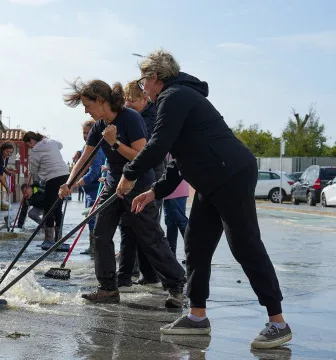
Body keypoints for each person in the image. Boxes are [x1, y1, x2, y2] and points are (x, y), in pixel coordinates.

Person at [120, 49, 290, 348]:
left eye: (143, 79)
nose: (142, 86)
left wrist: (130, 173)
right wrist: (154, 191)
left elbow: (158, 146)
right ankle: (197, 317)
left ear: (155, 77)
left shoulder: (175, 97)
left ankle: (278, 323)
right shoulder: (175, 97)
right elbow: (178, 158)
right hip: (211, 179)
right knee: (196, 245)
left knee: (245, 245)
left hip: (230, 174)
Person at [60, 78, 185, 306]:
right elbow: (85, 159)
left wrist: (114, 143)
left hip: (138, 182)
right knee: (101, 233)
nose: (86, 111)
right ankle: (108, 288)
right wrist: (69, 182)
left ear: (101, 101)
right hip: (113, 183)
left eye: (88, 105)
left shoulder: (131, 118)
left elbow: (141, 156)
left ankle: (176, 285)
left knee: (149, 236)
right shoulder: (98, 126)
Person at [123, 79, 166, 285]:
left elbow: (146, 149)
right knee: (131, 225)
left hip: (152, 173)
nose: (128, 106)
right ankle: (135, 271)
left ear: (144, 98)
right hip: (135, 172)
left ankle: (156, 274)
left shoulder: (153, 115)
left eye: (132, 102)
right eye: (126, 103)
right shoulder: (134, 115)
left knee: (148, 226)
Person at [23, 132, 70, 247]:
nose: (29, 147)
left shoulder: (35, 151)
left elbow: (33, 169)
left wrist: (36, 180)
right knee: (58, 206)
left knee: (49, 208)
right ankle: (59, 238)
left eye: (28, 144)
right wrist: (47, 140)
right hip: (65, 175)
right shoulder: (52, 142)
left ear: (31, 141)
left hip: (52, 177)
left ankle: (49, 240)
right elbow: (61, 145)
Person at [71, 120, 106, 256]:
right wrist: (78, 152)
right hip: (89, 190)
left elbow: (94, 172)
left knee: (93, 219)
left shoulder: (97, 148)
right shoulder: (89, 144)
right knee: (90, 218)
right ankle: (94, 247)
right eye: (84, 133)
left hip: (96, 188)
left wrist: (78, 183)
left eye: (88, 133)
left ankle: (95, 249)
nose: (85, 135)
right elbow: (84, 150)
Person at [162, 154, 189, 259]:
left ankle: (193, 253)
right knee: (169, 222)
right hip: (166, 188)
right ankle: (171, 255)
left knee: (181, 221)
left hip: (178, 188)